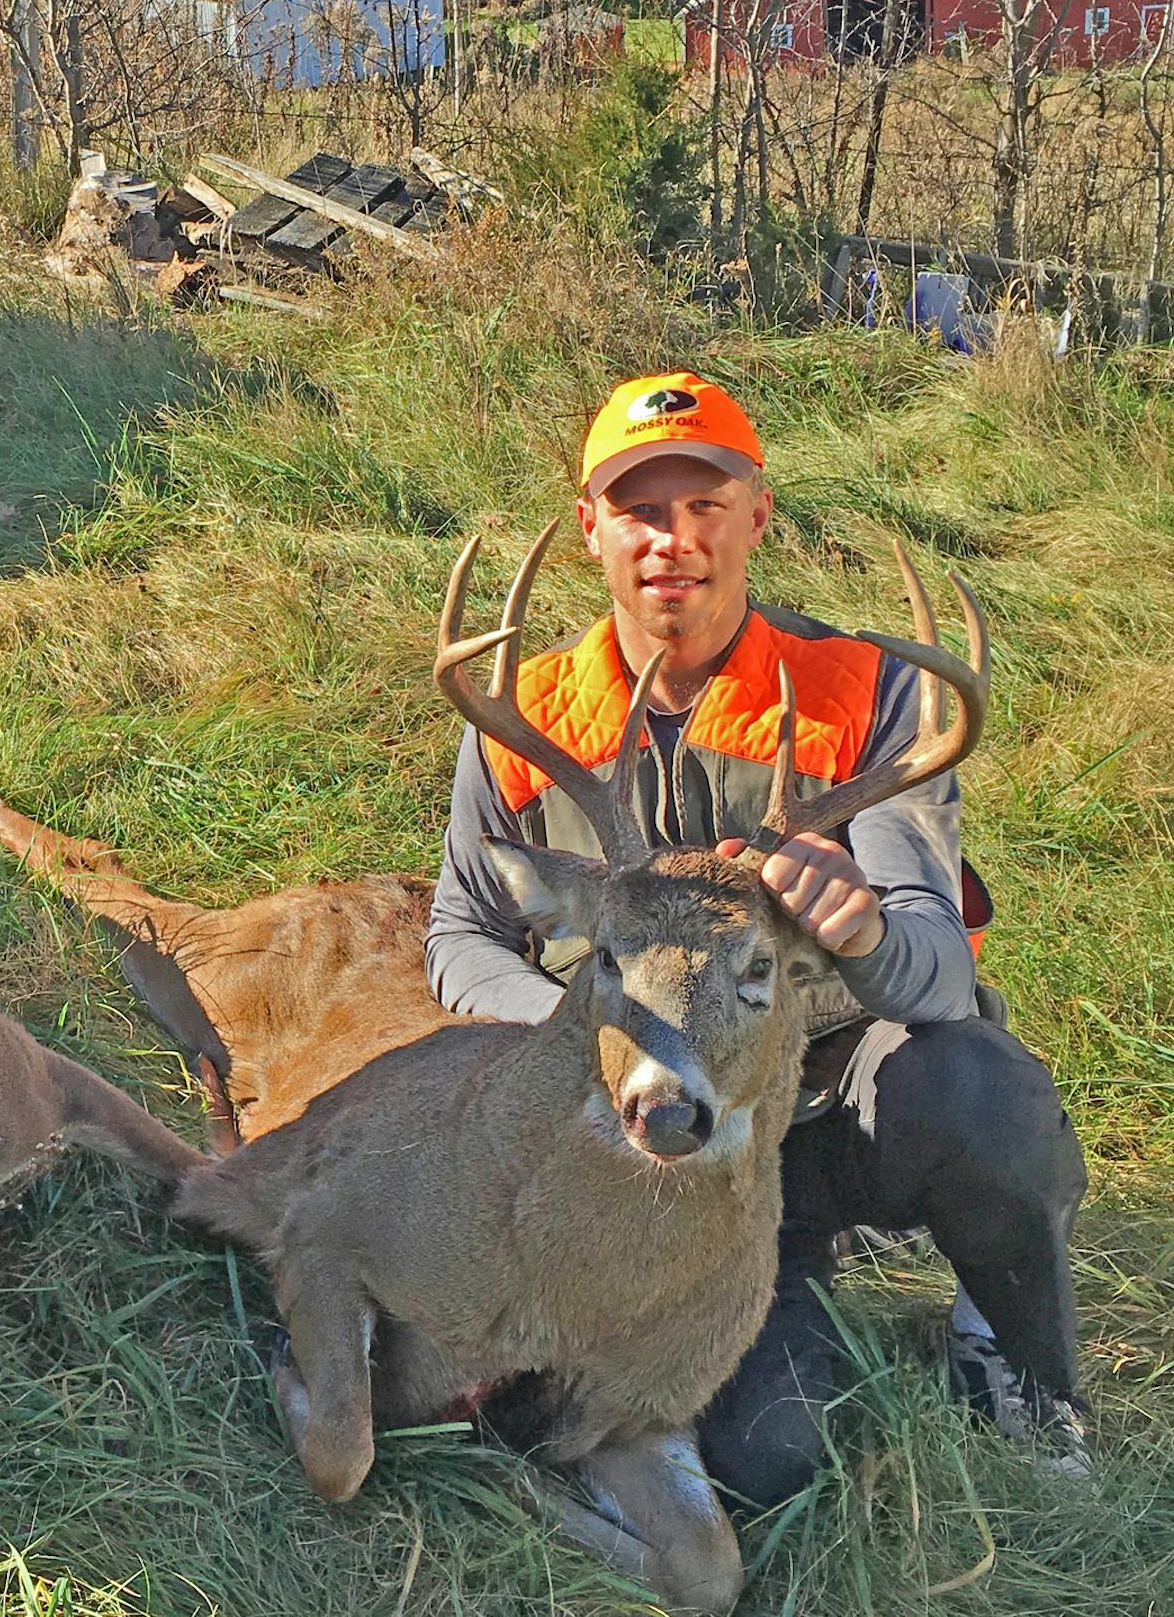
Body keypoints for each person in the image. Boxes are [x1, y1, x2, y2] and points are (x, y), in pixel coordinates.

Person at [428, 369, 1087, 1501]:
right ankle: (771, 1298)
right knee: (767, 1466)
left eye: (704, 506)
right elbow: (459, 936)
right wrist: (597, 1028)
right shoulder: (521, 717)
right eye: (640, 509)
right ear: (592, 526)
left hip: (824, 1114)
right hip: (644, 1147)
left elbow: (935, 971)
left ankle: (1018, 1355)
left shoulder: (864, 697)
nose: (671, 542)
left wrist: (867, 927)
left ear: (756, 516)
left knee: (978, 1090)